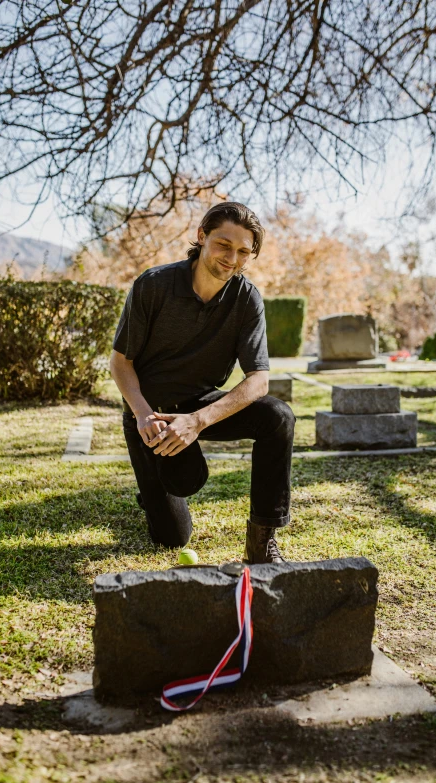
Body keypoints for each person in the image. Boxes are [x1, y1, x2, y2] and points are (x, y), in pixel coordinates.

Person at [110, 202, 295, 563]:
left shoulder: (246, 298)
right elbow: (120, 363)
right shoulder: (153, 285)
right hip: (152, 415)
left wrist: (197, 421)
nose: (232, 258)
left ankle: (261, 544)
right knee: (172, 536)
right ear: (202, 237)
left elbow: (259, 380)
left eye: (244, 251)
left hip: (200, 405)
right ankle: (152, 494)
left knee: (278, 417)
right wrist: (143, 414)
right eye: (224, 245)